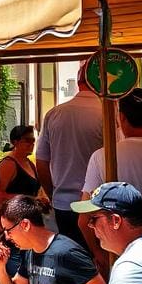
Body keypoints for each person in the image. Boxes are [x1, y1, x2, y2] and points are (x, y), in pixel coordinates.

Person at [82, 88, 142, 245]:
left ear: (121, 118)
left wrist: (99, 255)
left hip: (121, 253)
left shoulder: (102, 157)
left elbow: (84, 217)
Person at [35, 64, 103, 248]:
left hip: (63, 202)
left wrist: (52, 193)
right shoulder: (106, 113)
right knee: (98, 259)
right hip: (97, 204)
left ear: (79, 83)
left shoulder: (54, 114)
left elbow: (41, 161)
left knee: (69, 259)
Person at [0, 125, 42, 216]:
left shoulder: (30, 163)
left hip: (28, 216)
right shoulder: (8, 164)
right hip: (13, 217)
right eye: (27, 140)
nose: (32, 144)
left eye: (33, 140)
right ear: (15, 142)